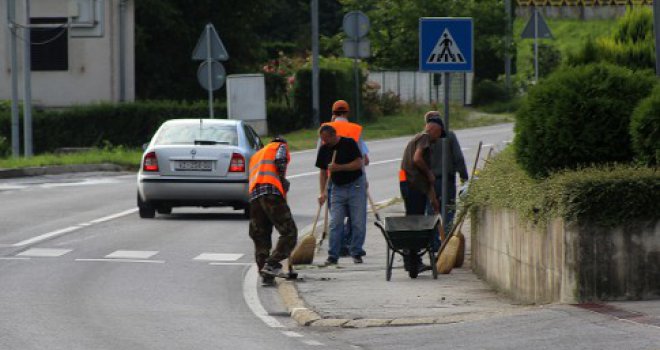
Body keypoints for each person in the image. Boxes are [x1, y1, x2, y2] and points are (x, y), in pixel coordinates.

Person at [321, 100, 369, 257]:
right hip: (345, 182)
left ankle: (345, 248)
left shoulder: (325, 131)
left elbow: (322, 164)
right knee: (354, 220)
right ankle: (344, 250)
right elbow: (365, 158)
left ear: (333, 113)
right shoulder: (355, 129)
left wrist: (322, 191)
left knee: (338, 221)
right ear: (347, 112)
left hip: (344, 181)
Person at [398, 112, 445, 273]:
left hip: (413, 186)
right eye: (439, 134)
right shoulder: (424, 138)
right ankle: (412, 260)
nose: (438, 138)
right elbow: (417, 159)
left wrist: (433, 200)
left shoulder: (422, 141)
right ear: (433, 129)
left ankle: (412, 260)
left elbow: (427, 180)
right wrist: (430, 173)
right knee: (415, 223)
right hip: (412, 187)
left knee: (414, 221)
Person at [248, 137, 298, 286]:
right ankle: (271, 264)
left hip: (255, 198)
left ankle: (266, 275)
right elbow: (280, 160)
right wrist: (282, 180)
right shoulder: (280, 146)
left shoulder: (257, 155)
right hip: (271, 193)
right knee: (289, 232)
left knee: (261, 236)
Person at [316, 124, 366, 265]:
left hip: (355, 185)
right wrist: (323, 192)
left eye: (326, 139)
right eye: (322, 139)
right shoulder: (324, 149)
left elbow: (358, 163)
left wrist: (340, 167)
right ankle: (333, 255)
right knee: (335, 222)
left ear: (333, 135)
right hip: (337, 188)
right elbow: (322, 172)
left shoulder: (348, 143)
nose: (325, 142)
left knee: (358, 221)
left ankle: (356, 252)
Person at [425, 111, 469, 250]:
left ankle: (434, 245)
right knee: (449, 211)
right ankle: (448, 242)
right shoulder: (449, 136)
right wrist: (464, 177)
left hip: (429, 183)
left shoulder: (424, 138)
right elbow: (459, 158)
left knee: (432, 213)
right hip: (447, 181)